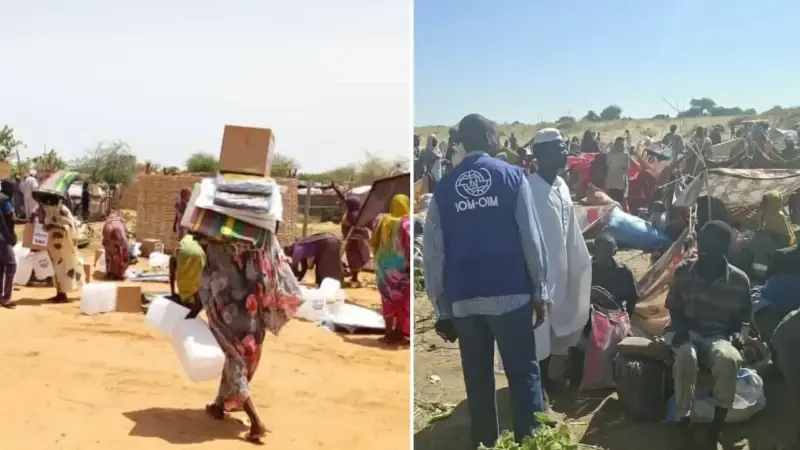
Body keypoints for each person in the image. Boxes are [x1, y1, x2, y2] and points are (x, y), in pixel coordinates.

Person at [424, 113, 548, 447]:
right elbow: (531, 240)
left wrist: (442, 308)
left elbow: (433, 254)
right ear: (492, 138)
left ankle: (486, 445)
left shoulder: (445, 187)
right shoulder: (512, 177)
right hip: (510, 294)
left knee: (478, 383)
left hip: (465, 300)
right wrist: (540, 290)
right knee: (523, 375)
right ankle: (530, 443)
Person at [200, 231, 302, 443]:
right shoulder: (251, 241)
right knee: (239, 358)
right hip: (250, 306)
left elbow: (208, 278)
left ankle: (256, 422)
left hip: (226, 309)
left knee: (234, 360)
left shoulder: (213, 243)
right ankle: (219, 405)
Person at [664, 220, 750, 448]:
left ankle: (716, 427)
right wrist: (680, 328)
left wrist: (738, 335)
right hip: (686, 330)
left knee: (728, 360)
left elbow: (742, 318)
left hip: (718, 335)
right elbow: (674, 306)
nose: (700, 245)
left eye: (707, 241)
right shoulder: (684, 272)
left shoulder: (740, 281)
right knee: (685, 357)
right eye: (701, 240)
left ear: (723, 247)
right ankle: (684, 421)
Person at [527, 128, 592, 395]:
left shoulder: (562, 186)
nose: (565, 151)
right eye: (557, 147)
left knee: (560, 323)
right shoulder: (529, 188)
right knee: (539, 328)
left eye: (564, 146)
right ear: (540, 154)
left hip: (564, 267)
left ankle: (548, 378)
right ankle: (538, 385)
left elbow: (570, 229)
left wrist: (581, 260)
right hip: (542, 272)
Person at [371, 194, 411, 343]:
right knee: (403, 299)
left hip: (383, 267)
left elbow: (374, 240)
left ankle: (388, 334)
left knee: (387, 299)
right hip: (402, 268)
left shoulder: (382, 220)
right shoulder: (407, 223)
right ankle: (399, 333)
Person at [34, 191, 83, 303]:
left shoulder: (63, 210)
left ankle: (63, 294)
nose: (46, 203)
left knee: (64, 269)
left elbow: (71, 226)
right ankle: (59, 293)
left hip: (65, 246)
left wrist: (55, 227)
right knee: (56, 270)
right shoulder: (50, 210)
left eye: (47, 201)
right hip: (54, 247)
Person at [590, 234, 639, 316]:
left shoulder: (623, 271)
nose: (605, 253)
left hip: (614, 316)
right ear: (595, 250)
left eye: (608, 250)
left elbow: (632, 297)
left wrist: (627, 317)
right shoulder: (586, 270)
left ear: (615, 251)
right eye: (601, 249)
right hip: (590, 315)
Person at [169, 233, 206, 319]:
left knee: (188, 283)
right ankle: (196, 304)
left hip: (190, 254)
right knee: (197, 279)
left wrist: (172, 292)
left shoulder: (180, 248)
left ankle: (195, 306)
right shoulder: (187, 241)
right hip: (200, 254)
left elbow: (171, 273)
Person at [341, 196, 372, 286]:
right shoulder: (359, 216)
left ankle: (353, 277)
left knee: (353, 259)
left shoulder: (346, 216)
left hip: (350, 241)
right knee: (359, 258)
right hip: (359, 241)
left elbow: (344, 229)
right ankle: (354, 278)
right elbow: (364, 228)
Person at [0, 180, 17, 308]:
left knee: (0, 266)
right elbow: (11, 218)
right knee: (11, 265)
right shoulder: (5, 200)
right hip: (4, 238)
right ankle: (6, 298)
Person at [101, 211, 131, 280]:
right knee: (120, 255)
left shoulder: (108, 221)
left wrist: (106, 244)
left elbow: (103, 239)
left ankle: (110, 273)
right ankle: (119, 274)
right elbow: (126, 236)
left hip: (109, 234)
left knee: (110, 255)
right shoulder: (121, 221)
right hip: (118, 235)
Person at [604, 136, 632, 209]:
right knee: (620, 201)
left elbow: (607, 164)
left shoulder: (610, 153)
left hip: (610, 180)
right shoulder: (625, 155)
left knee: (611, 201)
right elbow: (627, 167)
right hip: (620, 181)